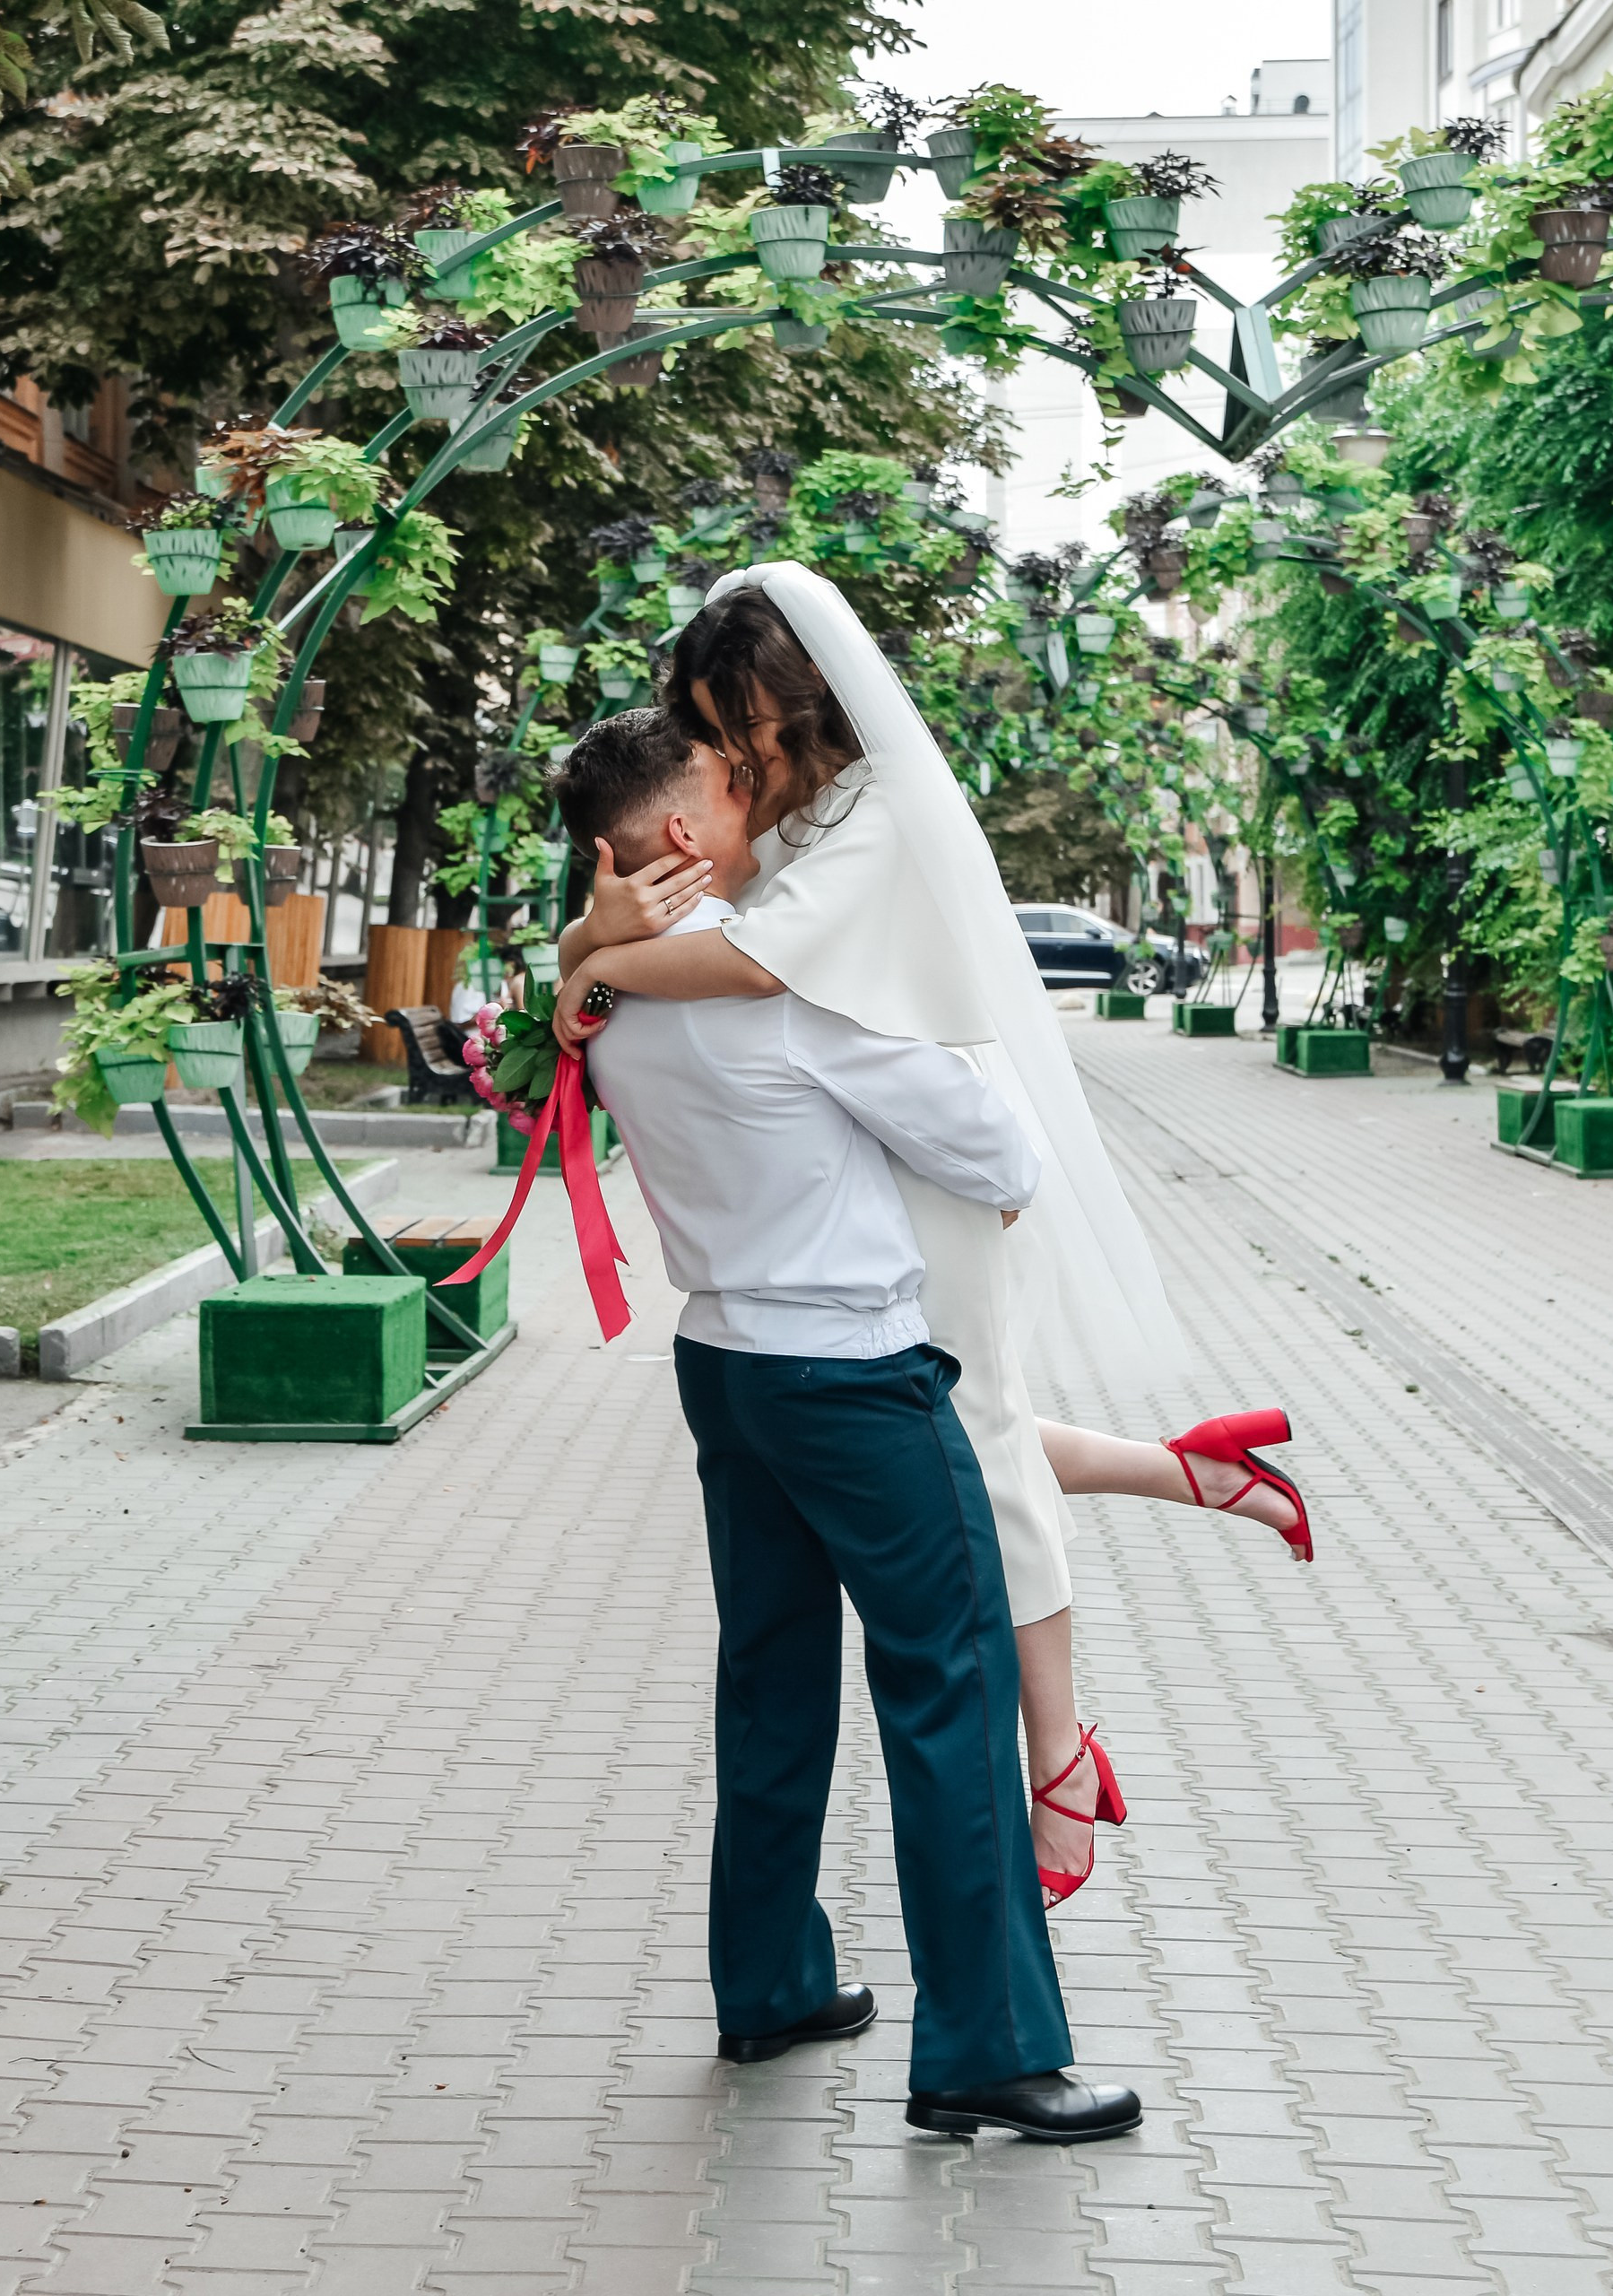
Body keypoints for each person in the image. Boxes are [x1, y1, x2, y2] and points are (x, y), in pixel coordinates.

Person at [554, 566, 1311, 1906]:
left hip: (936, 1140)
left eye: (740, 727)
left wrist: (596, 965)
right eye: (712, 732)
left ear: (799, 705)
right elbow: (684, 908)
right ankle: (1187, 1476)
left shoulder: (881, 812)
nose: (728, 759)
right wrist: (586, 937)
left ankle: (1059, 1753)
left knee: (974, 1443)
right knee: (965, 1425)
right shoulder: (790, 812)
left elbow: (746, 964)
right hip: (845, 1146)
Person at [558, 709, 1141, 2143]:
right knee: (950, 1684)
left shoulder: (603, 999)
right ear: (684, 835)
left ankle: (767, 1984)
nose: (760, 799)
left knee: (770, 1681)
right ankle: (985, 2052)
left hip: (725, 1368)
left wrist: (583, 942)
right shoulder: (794, 1001)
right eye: (732, 786)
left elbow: (561, 1011)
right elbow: (1003, 1154)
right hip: (856, 1378)